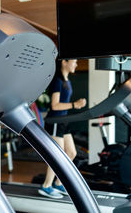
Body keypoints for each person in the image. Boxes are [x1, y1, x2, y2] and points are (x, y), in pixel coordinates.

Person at [38, 59, 86, 199]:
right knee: (57, 156)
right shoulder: (57, 81)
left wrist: (75, 105)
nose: (76, 64)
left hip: (64, 121)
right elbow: (55, 105)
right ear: (64, 62)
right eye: (74, 62)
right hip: (55, 121)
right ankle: (46, 186)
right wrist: (74, 105)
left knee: (71, 153)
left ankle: (59, 183)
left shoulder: (67, 80)